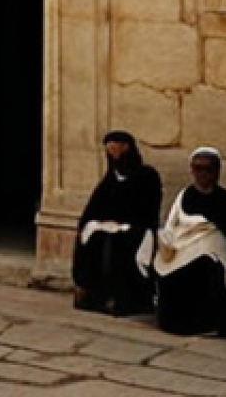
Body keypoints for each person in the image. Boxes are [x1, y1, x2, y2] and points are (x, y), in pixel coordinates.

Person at [154, 147, 226, 336]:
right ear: (192, 170)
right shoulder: (185, 196)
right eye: (199, 169)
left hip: (214, 256)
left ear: (217, 171)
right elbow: (173, 225)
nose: (203, 174)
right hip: (182, 250)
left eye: (208, 169)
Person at [72, 130, 162, 315]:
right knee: (93, 236)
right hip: (109, 225)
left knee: (121, 242)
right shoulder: (110, 178)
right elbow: (95, 207)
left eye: (115, 148)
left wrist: (123, 224)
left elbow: (148, 209)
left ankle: (123, 298)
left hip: (137, 227)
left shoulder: (147, 176)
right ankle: (93, 293)